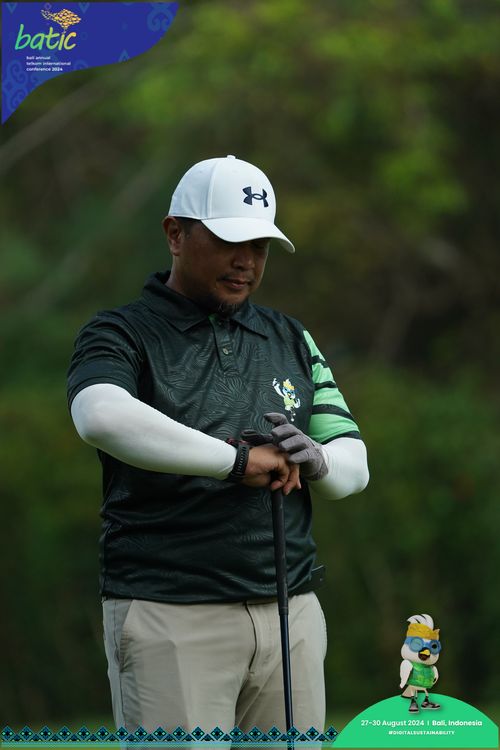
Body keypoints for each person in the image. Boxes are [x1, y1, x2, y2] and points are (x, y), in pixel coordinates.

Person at [67, 155, 369, 735]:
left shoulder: (290, 337)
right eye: (229, 241)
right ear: (175, 235)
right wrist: (235, 461)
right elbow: (100, 416)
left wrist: (318, 459)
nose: (246, 261)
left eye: (259, 246)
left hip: (292, 615)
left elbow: (353, 469)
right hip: (169, 613)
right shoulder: (120, 331)